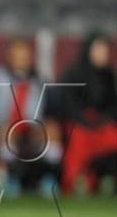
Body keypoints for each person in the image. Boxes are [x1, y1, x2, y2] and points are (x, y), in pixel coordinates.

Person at [46, 32, 117, 193]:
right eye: (98, 49)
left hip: (103, 125)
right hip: (79, 124)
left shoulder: (109, 75)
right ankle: (77, 181)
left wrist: (102, 120)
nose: (102, 53)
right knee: (76, 139)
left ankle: (106, 179)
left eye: (104, 50)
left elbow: (113, 106)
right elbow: (68, 104)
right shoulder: (72, 72)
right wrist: (86, 121)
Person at [0, 38, 50, 195]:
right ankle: (5, 178)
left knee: (51, 130)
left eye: (25, 57)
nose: (21, 61)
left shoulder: (36, 80)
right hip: (3, 123)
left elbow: (38, 111)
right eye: (18, 56)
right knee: (5, 130)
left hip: (29, 125)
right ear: (10, 57)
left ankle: (48, 177)